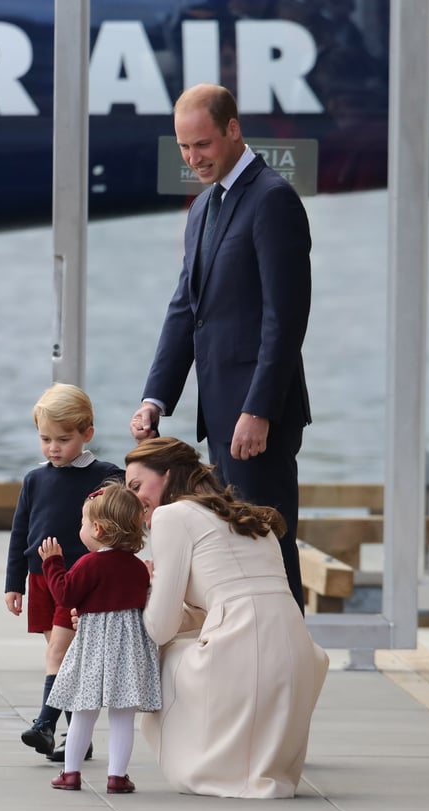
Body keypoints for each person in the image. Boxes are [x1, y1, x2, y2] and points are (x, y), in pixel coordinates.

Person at [129, 83, 312, 613]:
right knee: (235, 552)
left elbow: (286, 319)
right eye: (184, 147)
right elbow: (187, 308)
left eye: (203, 145)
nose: (193, 158)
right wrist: (156, 399)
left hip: (260, 417)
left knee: (270, 551)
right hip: (221, 416)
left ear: (233, 129)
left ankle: (287, 669)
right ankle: (248, 665)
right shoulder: (205, 204)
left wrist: (259, 409)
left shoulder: (273, 198)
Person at [125, 437, 329, 798]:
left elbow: (159, 629)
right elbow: (223, 604)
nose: (134, 499)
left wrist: (147, 587)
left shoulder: (171, 516)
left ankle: (213, 763)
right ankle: (248, 760)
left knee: (167, 655)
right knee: (187, 644)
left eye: (137, 486)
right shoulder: (245, 516)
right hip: (296, 656)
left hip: (247, 651)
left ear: (168, 475)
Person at [4, 383, 123, 761]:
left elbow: (126, 510)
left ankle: (45, 725)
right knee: (65, 659)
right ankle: (79, 739)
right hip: (40, 579)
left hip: (76, 579)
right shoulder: (35, 479)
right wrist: (14, 584)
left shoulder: (105, 476)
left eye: (64, 439)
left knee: (60, 653)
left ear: (87, 433)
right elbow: (20, 532)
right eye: (45, 439)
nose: (54, 447)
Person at [38, 481, 161, 793]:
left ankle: (71, 772)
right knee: (122, 715)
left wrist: (52, 564)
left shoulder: (89, 563)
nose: (80, 528)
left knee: (83, 711)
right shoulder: (136, 567)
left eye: (82, 522)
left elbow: (66, 595)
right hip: (128, 647)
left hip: (94, 645)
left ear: (98, 528)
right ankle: (117, 776)